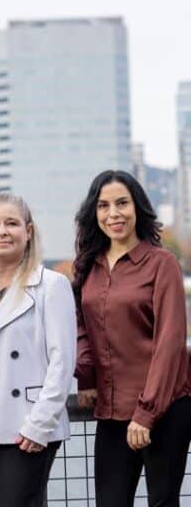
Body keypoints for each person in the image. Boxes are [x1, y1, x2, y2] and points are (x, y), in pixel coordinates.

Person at [73, 170, 191, 507]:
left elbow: (170, 343)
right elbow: (80, 325)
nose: (114, 214)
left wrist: (146, 412)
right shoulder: (88, 267)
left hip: (164, 408)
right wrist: (87, 377)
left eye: (122, 203)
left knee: (162, 503)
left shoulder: (161, 264)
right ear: (94, 214)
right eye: (104, 206)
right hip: (111, 411)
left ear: (137, 207)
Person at [0, 192, 76, 507]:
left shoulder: (51, 285)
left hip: (24, 427)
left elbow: (62, 363)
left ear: (29, 231)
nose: (2, 232)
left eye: (11, 223)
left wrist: (39, 425)